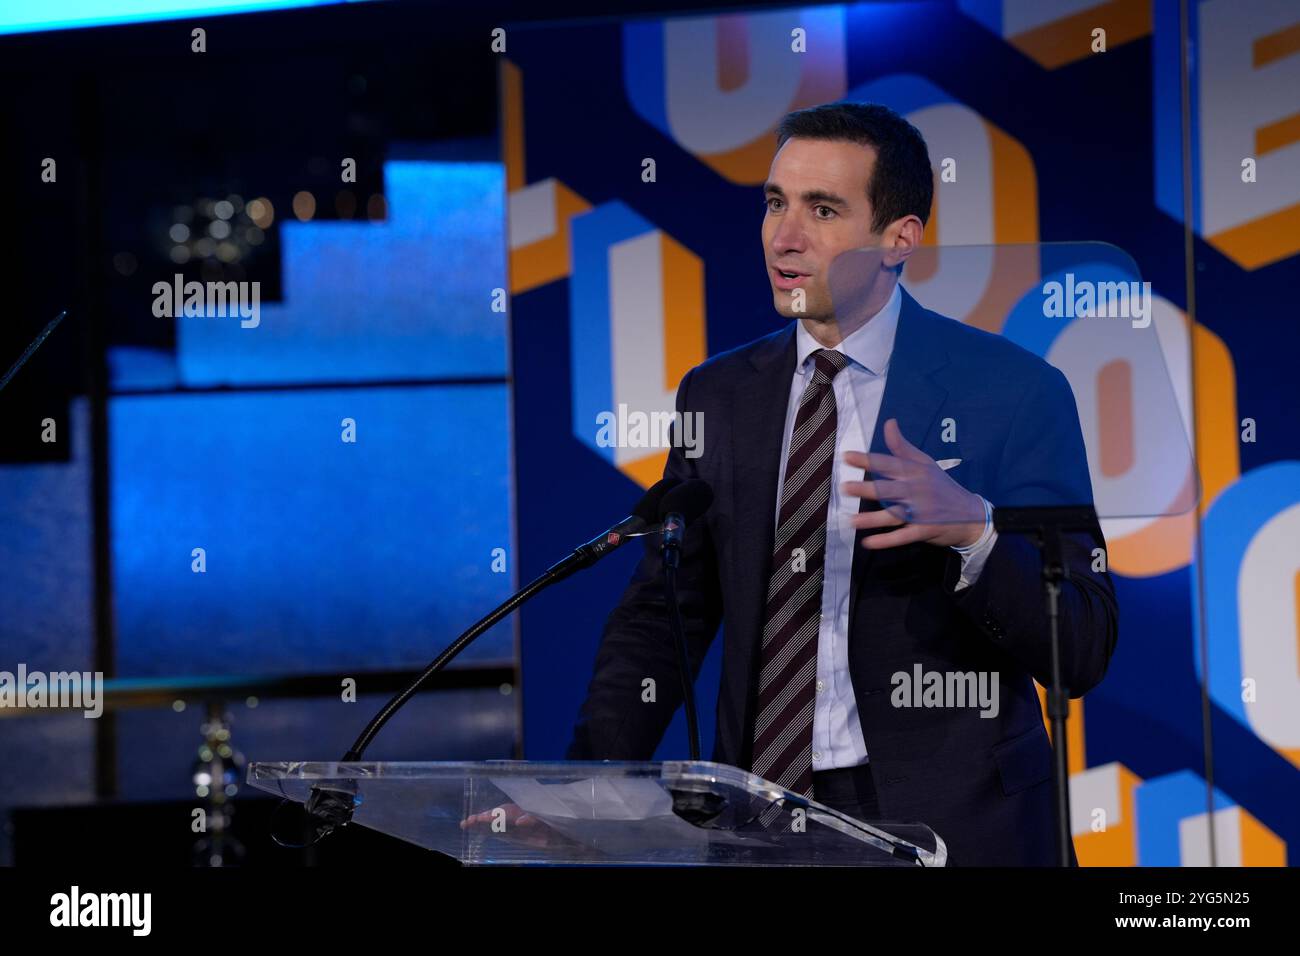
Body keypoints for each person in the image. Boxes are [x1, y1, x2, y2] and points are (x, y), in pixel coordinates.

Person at [563, 101, 1118, 867]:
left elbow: (1082, 645)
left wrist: (976, 533)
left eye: (822, 210)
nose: (784, 238)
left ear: (900, 238)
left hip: (953, 828)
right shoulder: (717, 396)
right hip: (759, 827)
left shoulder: (1013, 393)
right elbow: (666, 615)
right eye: (774, 203)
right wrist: (584, 785)